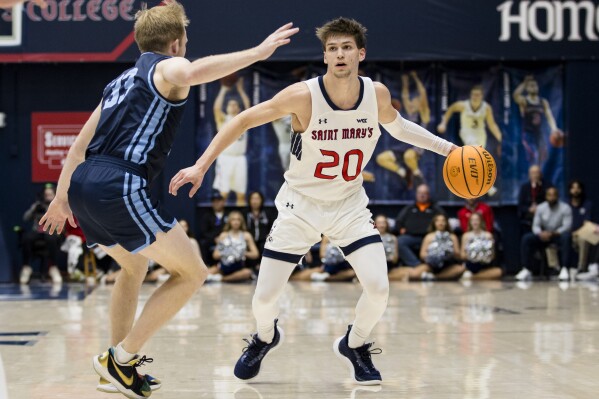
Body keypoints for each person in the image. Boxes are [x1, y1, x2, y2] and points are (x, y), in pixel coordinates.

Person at [169, 17, 457, 385]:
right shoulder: (301, 96)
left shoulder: (376, 95)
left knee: (379, 288)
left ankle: (355, 344)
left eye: (347, 48)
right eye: (333, 49)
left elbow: (400, 127)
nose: (340, 54)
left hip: (349, 205)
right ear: (324, 56)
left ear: (360, 54)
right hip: (299, 207)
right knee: (263, 300)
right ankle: (264, 337)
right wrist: (200, 165)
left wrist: (449, 149)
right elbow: (241, 120)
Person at [38, 2, 298, 397]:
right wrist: (257, 53)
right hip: (118, 183)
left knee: (133, 267)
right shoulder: (165, 67)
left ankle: (118, 369)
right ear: (176, 43)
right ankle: (121, 358)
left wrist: (60, 199)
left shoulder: (118, 82)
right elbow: (191, 72)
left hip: (85, 184)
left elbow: (76, 149)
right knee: (193, 273)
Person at [438, 85, 502, 196]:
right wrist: (443, 122)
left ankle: (479, 182)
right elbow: (451, 108)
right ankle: (487, 187)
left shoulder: (486, 108)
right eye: (473, 94)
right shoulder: (463, 105)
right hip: (467, 133)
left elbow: (492, 124)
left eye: (477, 95)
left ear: (482, 96)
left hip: (480, 134)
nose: (475, 97)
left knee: (481, 160)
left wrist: (500, 138)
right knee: (474, 155)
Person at [376, 71, 431, 189]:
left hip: (416, 145)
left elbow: (423, 94)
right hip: (404, 146)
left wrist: (416, 78)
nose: (412, 102)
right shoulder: (410, 112)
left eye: (415, 101)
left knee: (408, 156)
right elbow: (405, 96)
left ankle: (418, 176)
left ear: (420, 104)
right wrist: (405, 83)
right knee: (381, 159)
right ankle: (404, 173)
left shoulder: (424, 113)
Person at [516, 187, 572, 281]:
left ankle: (564, 269)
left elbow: (567, 226)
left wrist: (554, 233)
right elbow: (535, 226)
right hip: (543, 235)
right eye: (549, 195)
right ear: (546, 196)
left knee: (566, 237)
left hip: (557, 235)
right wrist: (540, 233)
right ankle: (526, 269)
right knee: (527, 238)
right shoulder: (540, 208)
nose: (552, 197)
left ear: (557, 196)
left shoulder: (565, 208)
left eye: (554, 195)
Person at [212, 77, 251, 205]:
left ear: (238, 109)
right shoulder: (223, 119)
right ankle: (222, 223)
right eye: (230, 104)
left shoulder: (243, 120)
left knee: (241, 194)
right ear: (227, 108)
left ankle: (241, 223)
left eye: (235, 104)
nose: (233, 106)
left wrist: (241, 90)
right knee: (223, 194)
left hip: (240, 159)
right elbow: (216, 109)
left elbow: (249, 107)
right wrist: (223, 90)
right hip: (225, 158)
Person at [513, 75, 561, 169]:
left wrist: (554, 129)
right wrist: (524, 83)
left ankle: (538, 178)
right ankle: (530, 178)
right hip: (528, 133)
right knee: (533, 155)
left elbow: (549, 116)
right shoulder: (524, 101)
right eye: (531, 85)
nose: (534, 87)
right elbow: (515, 95)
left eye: (535, 85)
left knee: (543, 156)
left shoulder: (543, 102)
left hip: (539, 134)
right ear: (527, 88)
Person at [396, 184, 445, 269]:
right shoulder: (409, 208)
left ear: (428, 195)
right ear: (416, 194)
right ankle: (417, 266)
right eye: (420, 193)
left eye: (424, 193)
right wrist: (400, 229)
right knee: (400, 241)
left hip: (430, 237)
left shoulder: (435, 209)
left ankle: (435, 268)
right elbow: (399, 221)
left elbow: (444, 219)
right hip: (411, 236)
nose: (422, 195)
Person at [20, 185, 62, 285]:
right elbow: (25, 218)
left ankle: (53, 268)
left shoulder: (58, 206)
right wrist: (34, 210)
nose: (48, 196)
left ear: (54, 195)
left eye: (50, 194)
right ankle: (26, 267)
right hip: (38, 232)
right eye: (46, 194)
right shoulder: (38, 205)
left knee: (51, 239)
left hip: (51, 231)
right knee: (26, 238)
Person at [207, 210, 259, 283]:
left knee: (247, 272)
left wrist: (242, 253)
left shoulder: (246, 235)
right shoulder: (223, 235)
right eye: (233, 219)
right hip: (223, 266)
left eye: (238, 219)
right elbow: (215, 255)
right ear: (229, 221)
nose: (236, 222)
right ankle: (223, 277)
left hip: (238, 268)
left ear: (241, 221)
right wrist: (228, 252)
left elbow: (255, 254)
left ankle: (223, 279)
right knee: (205, 273)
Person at [417, 214, 463, 281]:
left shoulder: (452, 237)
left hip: (448, 265)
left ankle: (436, 277)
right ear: (434, 223)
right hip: (432, 264)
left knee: (460, 269)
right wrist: (432, 257)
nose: (440, 223)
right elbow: (422, 254)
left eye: (443, 221)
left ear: (446, 223)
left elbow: (458, 255)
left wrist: (449, 253)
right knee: (414, 274)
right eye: (438, 221)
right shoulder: (428, 236)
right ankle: (435, 276)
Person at [460, 213, 502, 280]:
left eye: (477, 220)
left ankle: (473, 277)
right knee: (460, 269)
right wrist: (473, 255)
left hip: (484, 265)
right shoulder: (466, 236)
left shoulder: (488, 235)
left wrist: (483, 256)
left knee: (499, 272)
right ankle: (480, 276)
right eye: (473, 220)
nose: (475, 222)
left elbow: (493, 255)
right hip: (471, 265)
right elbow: (462, 255)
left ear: (481, 221)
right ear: (470, 222)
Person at [198, 191, 227, 266]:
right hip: (212, 240)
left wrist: (223, 238)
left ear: (223, 202)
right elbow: (204, 232)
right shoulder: (207, 216)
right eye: (214, 201)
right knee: (203, 243)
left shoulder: (229, 215)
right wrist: (214, 238)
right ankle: (206, 265)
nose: (216, 203)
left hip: (227, 239)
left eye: (219, 201)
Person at [517, 165, 546, 235]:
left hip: (544, 219)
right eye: (533, 173)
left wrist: (539, 209)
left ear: (540, 174)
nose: (535, 175)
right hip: (528, 220)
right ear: (529, 175)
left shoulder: (546, 186)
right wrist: (529, 209)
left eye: (537, 173)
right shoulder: (524, 188)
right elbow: (520, 207)